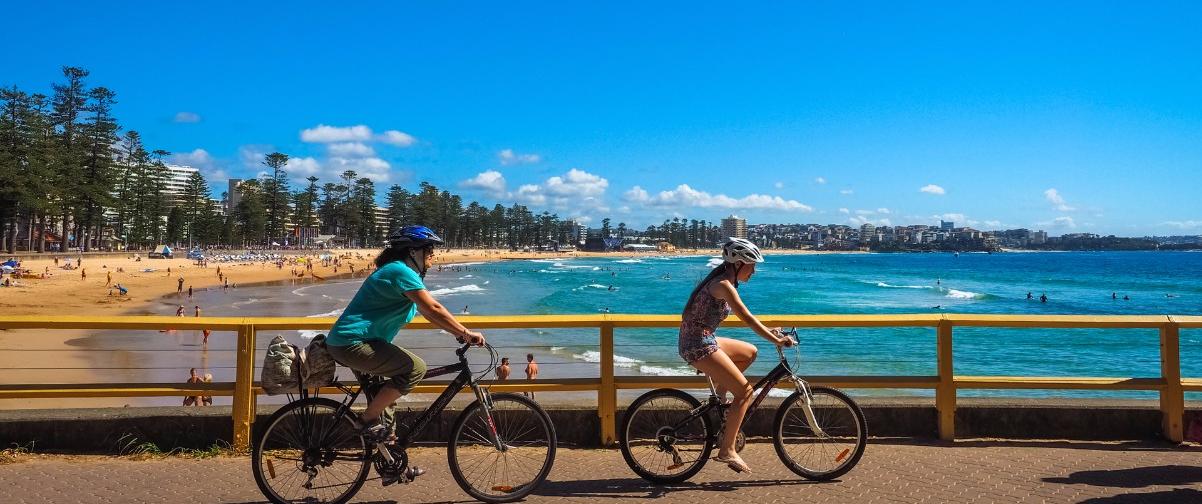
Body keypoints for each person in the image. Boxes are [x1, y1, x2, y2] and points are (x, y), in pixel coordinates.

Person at [325, 225, 483, 484]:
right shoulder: (400, 271)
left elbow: (430, 314)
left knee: (388, 404)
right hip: (352, 343)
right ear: (413, 252)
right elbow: (432, 308)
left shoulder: (399, 272)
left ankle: (391, 465)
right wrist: (466, 332)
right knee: (415, 369)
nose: (433, 256)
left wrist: (454, 332)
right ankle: (364, 420)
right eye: (429, 250)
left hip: (356, 342)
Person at [678, 237, 792, 474]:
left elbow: (746, 319)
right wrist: (777, 340)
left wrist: (770, 332)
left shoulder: (723, 281)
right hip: (697, 343)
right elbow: (747, 317)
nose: (754, 271)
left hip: (703, 337)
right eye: (752, 265)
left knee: (749, 352)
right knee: (746, 392)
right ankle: (726, 450)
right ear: (739, 263)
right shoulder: (723, 285)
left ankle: (722, 399)